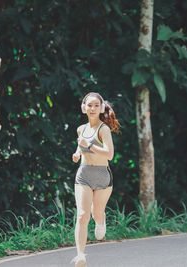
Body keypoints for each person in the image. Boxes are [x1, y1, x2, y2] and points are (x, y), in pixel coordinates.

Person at [70, 92, 121, 267]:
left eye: (95, 105)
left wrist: (89, 145)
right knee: (82, 215)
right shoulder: (80, 129)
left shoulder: (103, 129)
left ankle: (100, 219)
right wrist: (77, 154)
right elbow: (81, 146)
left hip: (102, 176)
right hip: (83, 174)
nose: (92, 108)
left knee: (95, 213)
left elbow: (110, 154)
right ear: (83, 107)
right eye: (89, 105)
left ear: (101, 108)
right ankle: (80, 256)